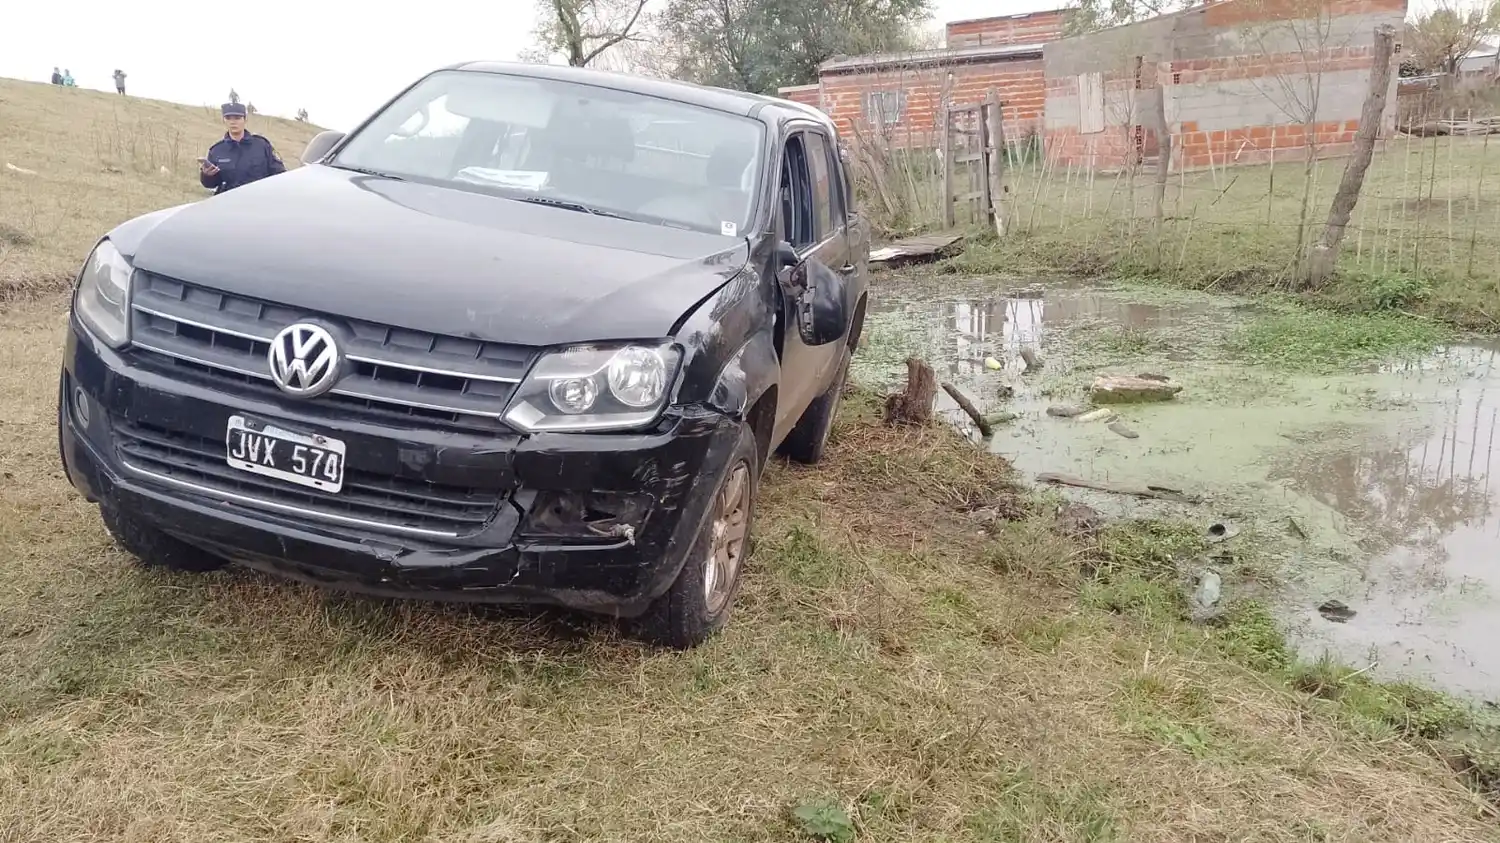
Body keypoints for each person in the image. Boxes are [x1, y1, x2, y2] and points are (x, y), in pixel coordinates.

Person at [199, 102, 286, 195]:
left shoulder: (262, 145)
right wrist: (207, 175)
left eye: (237, 118)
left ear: (245, 119)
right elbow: (211, 184)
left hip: (259, 200)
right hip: (229, 203)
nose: (233, 122)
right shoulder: (216, 151)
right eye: (228, 118)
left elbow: (279, 174)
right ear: (224, 120)